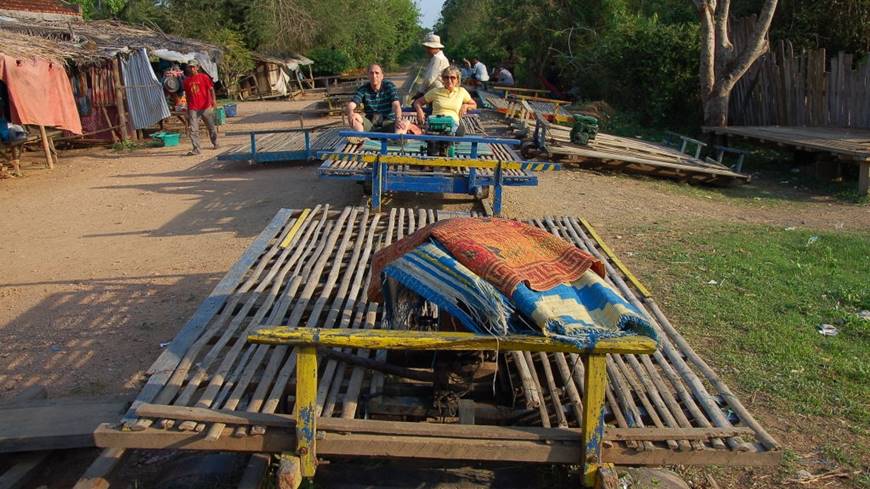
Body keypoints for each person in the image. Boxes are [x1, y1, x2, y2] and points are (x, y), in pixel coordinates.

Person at [346, 64, 407, 138]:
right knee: (354, 116)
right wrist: (350, 113)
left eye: (377, 73)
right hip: (371, 123)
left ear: (382, 76)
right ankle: (361, 138)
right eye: (371, 73)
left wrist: (398, 119)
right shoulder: (363, 89)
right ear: (368, 76)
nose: (374, 76)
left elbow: (396, 105)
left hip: (388, 122)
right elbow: (352, 104)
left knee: (404, 123)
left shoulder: (389, 86)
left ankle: (396, 141)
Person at [413, 65, 477, 136]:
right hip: (436, 123)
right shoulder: (435, 91)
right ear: (443, 79)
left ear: (457, 80)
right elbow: (417, 102)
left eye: (452, 77)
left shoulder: (461, 91)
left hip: (453, 124)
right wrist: (419, 111)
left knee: (454, 132)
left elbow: (474, 104)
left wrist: (466, 105)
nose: (449, 80)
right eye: (446, 77)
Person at [182, 60, 218, 155]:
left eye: (193, 67)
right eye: (190, 67)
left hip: (205, 106)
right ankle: (196, 149)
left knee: (211, 127)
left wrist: (213, 100)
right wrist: (187, 109)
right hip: (193, 108)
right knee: (193, 129)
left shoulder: (204, 77)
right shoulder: (186, 81)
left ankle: (215, 142)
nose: (192, 69)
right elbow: (187, 96)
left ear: (197, 67)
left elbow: (211, 89)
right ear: (188, 68)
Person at [412, 33, 450, 102]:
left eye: (428, 48)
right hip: (437, 91)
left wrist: (419, 93)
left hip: (437, 91)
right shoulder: (439, 58)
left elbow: (429, 79)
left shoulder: (438, 58)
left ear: (434, 48)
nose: (427, 50)